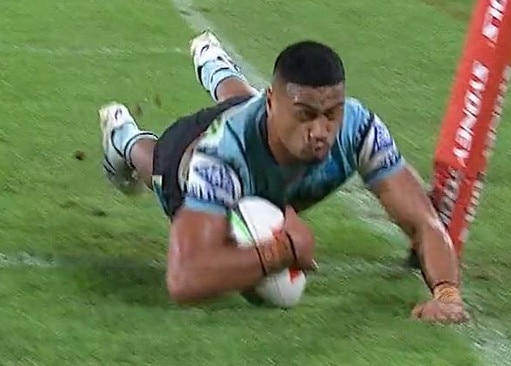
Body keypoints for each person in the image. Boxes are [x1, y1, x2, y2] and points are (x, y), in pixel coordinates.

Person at [98, 31, 468, 324]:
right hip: (187, 164)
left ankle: (214, 63)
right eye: (306, 115)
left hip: (255, 128)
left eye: (331, 114)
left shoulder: (358, 127)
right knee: (157, 164)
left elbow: (424, 222)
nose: (322, 130)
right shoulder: (220, 156)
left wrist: (447, 294)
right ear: (274, 102)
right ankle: (123, 137)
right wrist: (279, 253)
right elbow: (183, 280)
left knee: (244, 104)